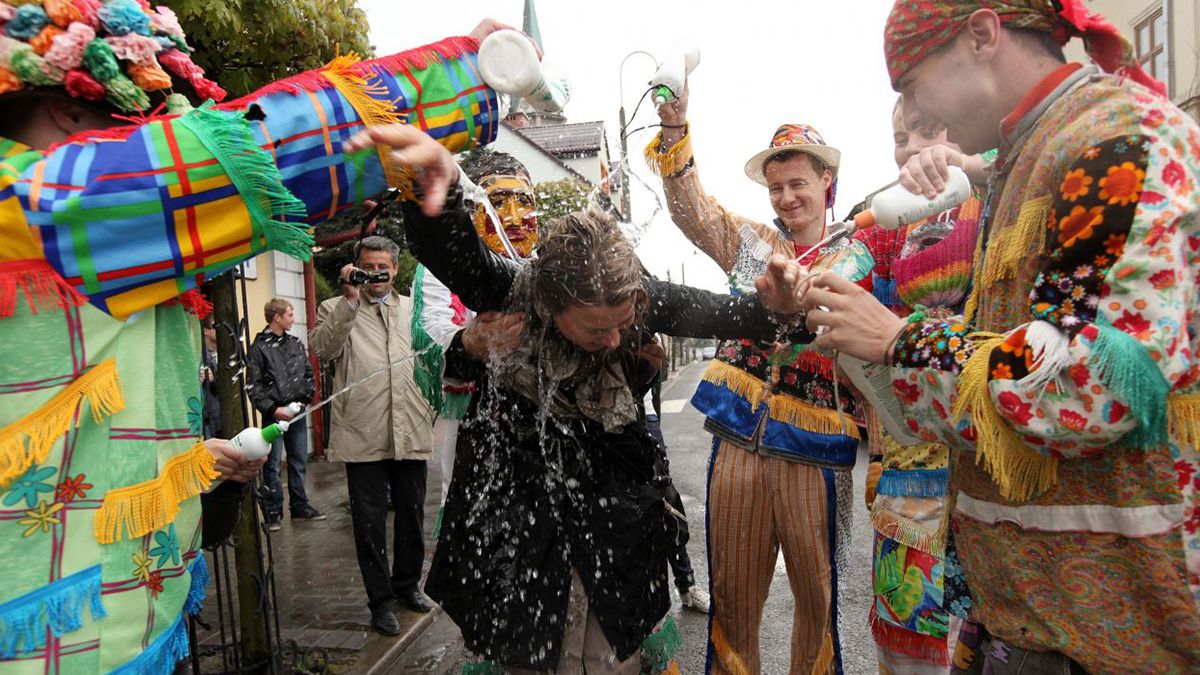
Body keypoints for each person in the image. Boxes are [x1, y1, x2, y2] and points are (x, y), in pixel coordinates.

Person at [0, 6, 515, 668]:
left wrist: (197, 464)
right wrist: (471, 67)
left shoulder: (93, 255)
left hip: (124, 630)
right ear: (70, 106)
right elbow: (240, 154)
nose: (162, 134)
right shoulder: (33, 204)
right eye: (147, 118)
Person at [803, 2, 1200, 673]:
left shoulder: (1116, 137)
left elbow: (1093, 383)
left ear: (983, 35)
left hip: (1113, 640)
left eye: (912, 86)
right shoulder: (1034, 152)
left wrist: (904, 341)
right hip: (1030, 623)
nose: (918, 119)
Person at [343, 122, 813, 673]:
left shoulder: (637, 294)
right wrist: (436, 191)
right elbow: (458, 257)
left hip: (614, 518)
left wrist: (780, 307)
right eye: (596, 331)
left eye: (622, 325)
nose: (614, 339)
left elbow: (724, 311)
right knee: (528, 654)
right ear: (551, 306)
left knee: (614, 655)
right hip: (521, 516)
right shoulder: (518, 289)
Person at [646, 88, 868, 673]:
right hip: (737, 440)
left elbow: (847, 315)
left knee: (817, 606)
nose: (787, 197)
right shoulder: (754, 247)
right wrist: (675, 131)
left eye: (798, 183)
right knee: (733, 602)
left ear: (827, 181)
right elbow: (695, 213)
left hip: (818, 451)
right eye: (776, 187)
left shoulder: (859, 250)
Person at [853, 96, 988, 674]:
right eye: (899, 138)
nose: (909, 149)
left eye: (925, 130)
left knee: (991, 638)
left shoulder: (1001, 194)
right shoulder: (887, 223)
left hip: (991, 456)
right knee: (908, 648)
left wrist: (974, 167)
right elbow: (847, 281)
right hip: (911, 470)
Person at [309, 236, 436, 635]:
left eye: (384, 267)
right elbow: (322, 350)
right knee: (369, 523)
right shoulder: (336, 307)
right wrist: (348, 300)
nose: (377, 275)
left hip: (410, 428)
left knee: (412, 517)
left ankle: (408, 586)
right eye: (369, 267)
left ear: (396, 269)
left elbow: (434, 356)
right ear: (356, 267)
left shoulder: (414, 310)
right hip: (362, 431)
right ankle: (380, 601)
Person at [410, 149, 538, 538]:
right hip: (470, 411)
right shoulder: (440, 264)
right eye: (497, 202)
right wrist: (468, 342)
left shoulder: (551, 261)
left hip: (543, 413)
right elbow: (428, 336)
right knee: (473, 508)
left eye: (525, 202)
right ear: (470, 208)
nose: (514, 217)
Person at [248, 297, 323, 531]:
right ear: (277, 317)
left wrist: (304, 400)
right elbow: (254, 385)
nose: (293, 319)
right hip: (274, 415)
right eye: (289, 315)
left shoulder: (295, 344)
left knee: (298, 461)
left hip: (297, 414)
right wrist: (273, 409)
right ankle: (273, 513)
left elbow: (309, 374)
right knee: (272, 463)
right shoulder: (259, 348)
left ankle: (300, 507)